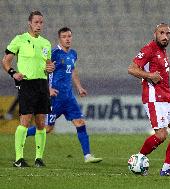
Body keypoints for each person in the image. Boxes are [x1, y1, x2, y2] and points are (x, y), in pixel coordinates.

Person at [26, 27, 102, 163]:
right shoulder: (53, 53)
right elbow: (41, 70)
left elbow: (72, 71)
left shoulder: (73, 54)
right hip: (54, 98)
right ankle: (21, 135)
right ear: (59, 39)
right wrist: (48, 88)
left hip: (69, 98)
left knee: (80, 123)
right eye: (64, 37)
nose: (67, 39)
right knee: (47, 128)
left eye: (69, 36)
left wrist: (79, 87)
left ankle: (87, 156)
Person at [128, 23, 170, 176]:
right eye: (161, 33)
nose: (165, 36)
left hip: (167, 97)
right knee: (161, 135)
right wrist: (149, 76)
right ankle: (138, 160)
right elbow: (132, 68)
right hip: (154, 98)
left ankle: (166, 169)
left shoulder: (162, 51)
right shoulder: (149, 49)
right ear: (155, 33)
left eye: (167, 33)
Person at [2, 10, 55, 167]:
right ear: (30, 23)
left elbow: (48, 65)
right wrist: (13, 73)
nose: (39, 25)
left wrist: (50, 67)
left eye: (41, 22)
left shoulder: (46, 43)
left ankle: (39, 158)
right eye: (36, 22)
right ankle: (19, 159)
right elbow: (5, 60)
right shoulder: (20, 40)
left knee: (41, 123)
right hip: (27, 83)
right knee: (24, 121)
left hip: (42, 84)